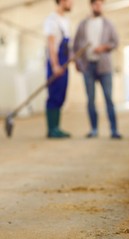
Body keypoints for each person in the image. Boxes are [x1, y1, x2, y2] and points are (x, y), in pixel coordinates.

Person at [73, 0, 122, 139]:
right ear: (91, 5)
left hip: (104, 66)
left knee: (108, 97)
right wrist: (77, 61)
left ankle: (114, 130)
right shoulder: (83, 24)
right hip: (88, 66)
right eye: (96, 4)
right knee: (90, 99)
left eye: (101, 4)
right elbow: (75, 45)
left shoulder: (108, 24)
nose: (98, 6)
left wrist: (104, 47)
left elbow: (115, 42)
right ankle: (94, 129)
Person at [43, 0, 73, 138]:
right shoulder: (52, 20)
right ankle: (51, 129)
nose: (72, 3)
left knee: (61, 95)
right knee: (54, 95)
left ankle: (57, 127)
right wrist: (55, 65)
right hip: (55, 63)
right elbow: (51, 43)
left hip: (64, 63)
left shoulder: (65, 20)